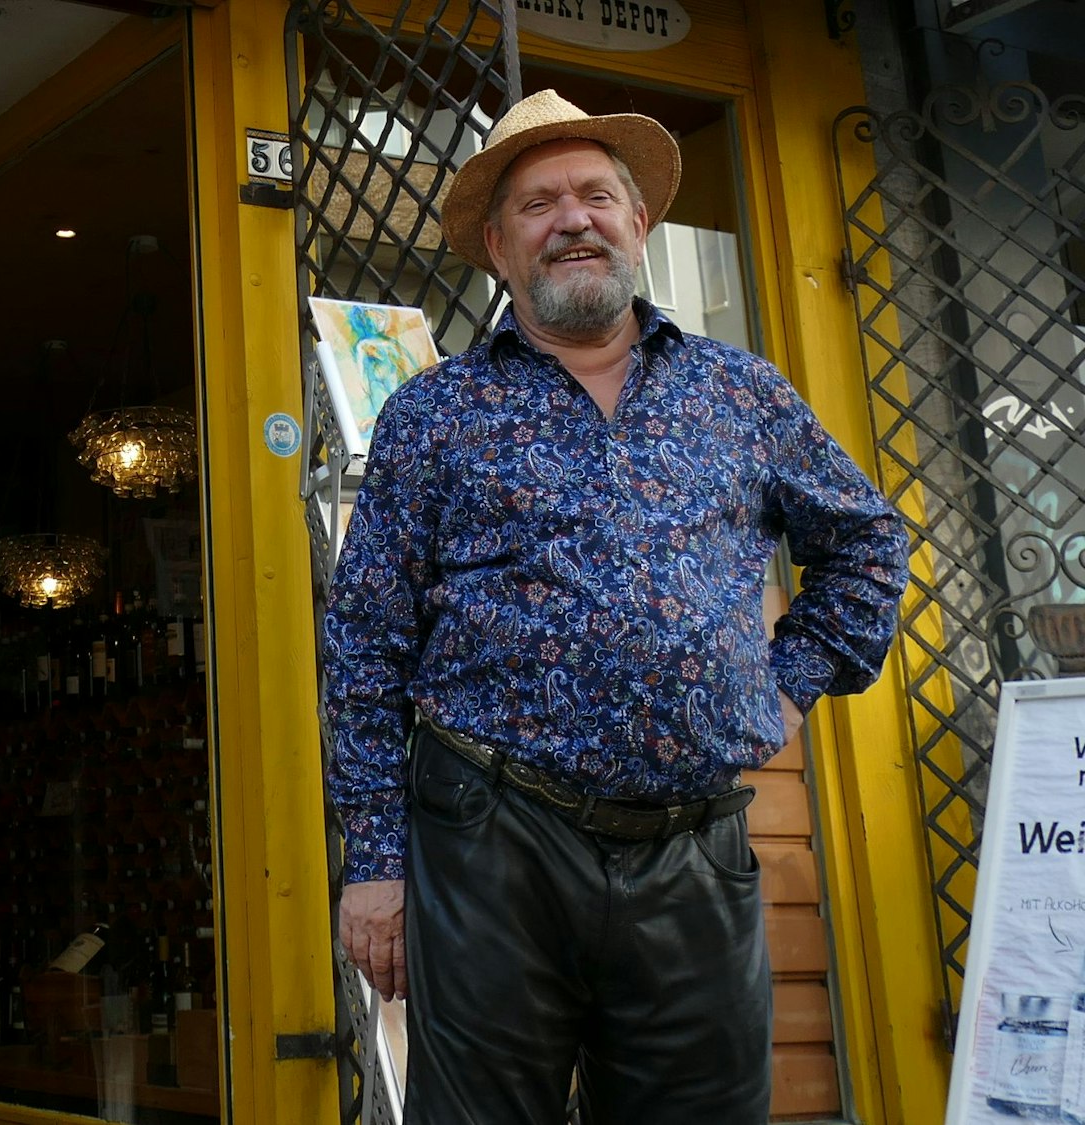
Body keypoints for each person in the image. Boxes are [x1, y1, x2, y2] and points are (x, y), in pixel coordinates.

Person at [322, 89, 909, 1124]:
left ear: (637, 226)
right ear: (499, 249)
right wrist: (374, 866)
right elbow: (364, 643)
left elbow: (864, 542)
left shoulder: (740, 392)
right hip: (489, 839)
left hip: (691, 842)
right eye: (539, 204)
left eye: (596, 195)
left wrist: (789, 686)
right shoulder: (434, 411)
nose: (572, 219)